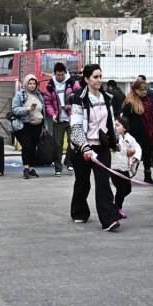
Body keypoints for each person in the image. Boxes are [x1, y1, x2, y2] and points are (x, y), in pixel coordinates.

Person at [69, 64, 121, 231]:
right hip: (81, 148)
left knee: (103, 182)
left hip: (101, 147)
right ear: (86, 79)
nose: (99, 80)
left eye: (100, 76)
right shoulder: (79, 98)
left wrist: (115, 142)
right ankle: (79, 211)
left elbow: (111, 123)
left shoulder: (107, 97)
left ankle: (109, 219)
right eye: (95, 77)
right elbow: (75, 126)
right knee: (83, 182)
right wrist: (84, 147)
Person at [44, 62, 80, 176]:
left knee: (73, 141)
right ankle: (58, 167)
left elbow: (79, 98)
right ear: (55, 74)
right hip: (58, 119)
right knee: (57, 144)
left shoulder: (72, 83)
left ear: (65, 73)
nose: (60, 77)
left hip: (71, 118)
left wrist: (70, 106)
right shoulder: (50, 85)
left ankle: (69, 162)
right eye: (58, 75)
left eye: (62, 74)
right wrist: (52, 114)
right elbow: (48, 102)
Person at [122, 79, 153, 184]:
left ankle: (148, 176)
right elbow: (125, 119)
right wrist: (126, 133)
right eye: (141, 89)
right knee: (133, 156)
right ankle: (126, 175)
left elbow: (150, 115)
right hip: (134, 134)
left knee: (147, 156)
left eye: (145, 89)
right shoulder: (130, 103)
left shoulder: (148, 101)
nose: (144, 91)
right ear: (135, 90)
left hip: (147, 133)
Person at [11, 74, 46, 179]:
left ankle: (31, 168)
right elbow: (15, 109)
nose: (32, 85)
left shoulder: (39, 95)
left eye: (34, 83)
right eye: (30, 83)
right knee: (27, 146)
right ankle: (26, 168)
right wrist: (26, 109)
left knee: (33, 147)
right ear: (26, 84)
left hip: (38, 125)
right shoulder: (20, 95)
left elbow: (42, 111)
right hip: (25, 125)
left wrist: (44, 126)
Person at [110, 115, 142, 218]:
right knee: (120, 188)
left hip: (125, 168)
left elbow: (137, 148)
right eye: (114, 125)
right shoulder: (113, 138)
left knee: (128, 189)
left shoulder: (129, 138)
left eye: (117, 125)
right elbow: (115, 150)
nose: (115, 127)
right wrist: (127, 151)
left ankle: (116, 204)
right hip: (115, 168)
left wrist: (135, 157)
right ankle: (117, 208)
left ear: (124, 128)